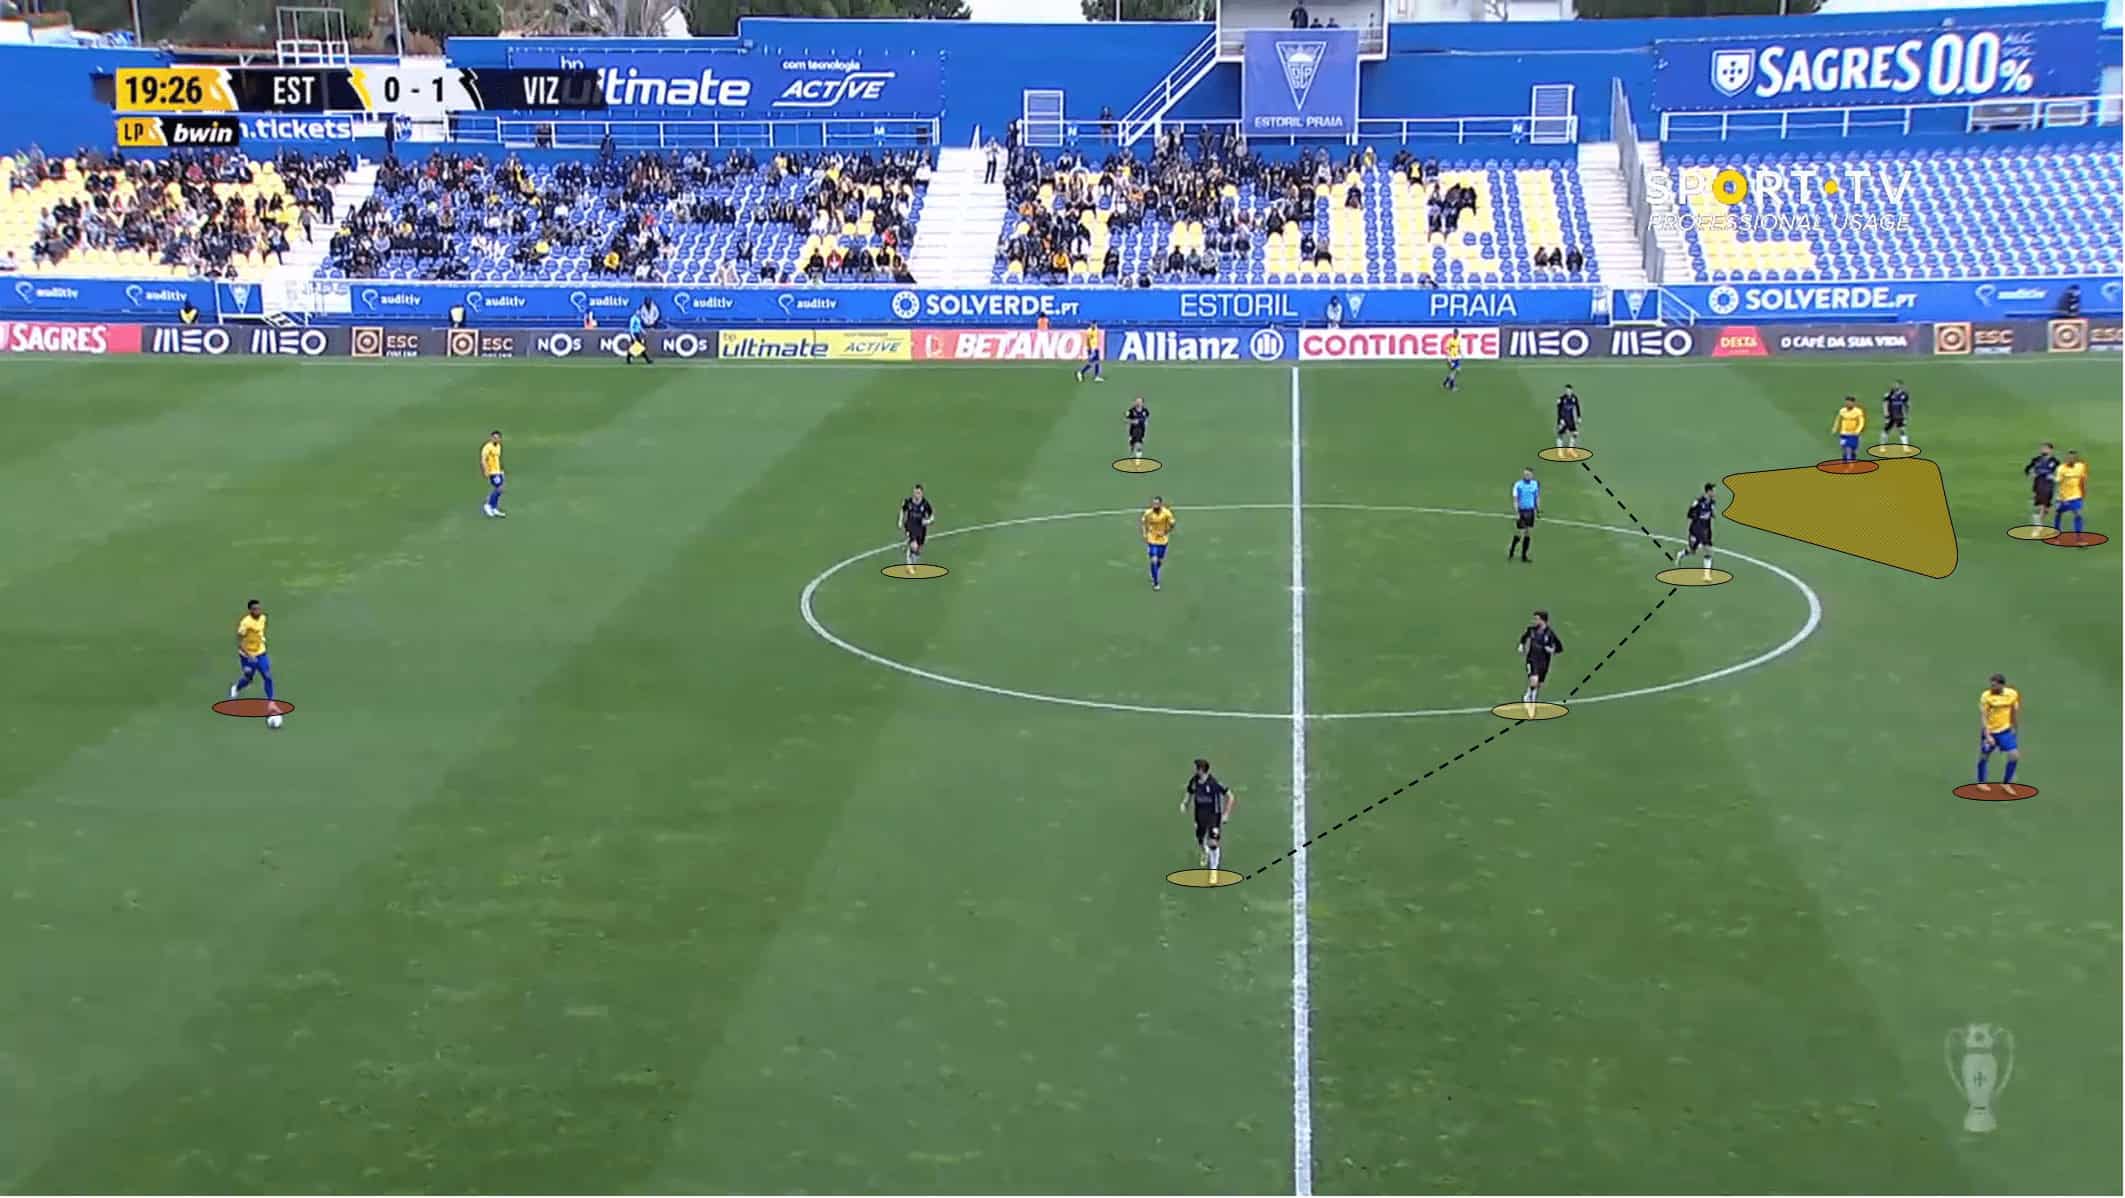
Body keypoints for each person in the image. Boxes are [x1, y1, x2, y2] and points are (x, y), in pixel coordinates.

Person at [227, 599, 280, 713]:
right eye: (255, 609)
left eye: (259, 608)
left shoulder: (263, 618)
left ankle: (271, 703)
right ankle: (236, 687)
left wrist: (261, 639)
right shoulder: (245, 623)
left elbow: (259, 631)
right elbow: (239, 642)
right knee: (248, 678)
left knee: (267, 676)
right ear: (250, 610)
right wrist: (249, 655)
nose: (258, 611)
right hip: (247, 655)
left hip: (260, 653)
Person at [1182, 757, 1235, 869]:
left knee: (1213, 842)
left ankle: (1213, 869)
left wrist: (1226, 814)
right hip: (1199, 815)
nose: (1193, 770)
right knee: (1200, 839)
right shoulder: (1194, 781)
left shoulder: (1214, 783)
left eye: (1195, 768)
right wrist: (1185, 803)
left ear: (1201, 769)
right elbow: (1189, 791)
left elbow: (1230, 796)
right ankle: (1204, 852)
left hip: (1213, 815)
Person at [1976, 673, 2022, 788]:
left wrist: (2015, 727)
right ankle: (1981, 782)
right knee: (1984, 756)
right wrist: (1987, 735)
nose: (1992, 687)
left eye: (1994, 685)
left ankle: (2006, 783)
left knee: (2014, 755)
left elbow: (2014, 711)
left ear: (2002, 685)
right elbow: (1984, 716)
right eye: (1991, 685)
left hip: (2005, 731)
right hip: (1991, 731)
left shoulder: (2012, 694)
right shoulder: (1986, 696)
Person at [1517, 609, 1563, 705]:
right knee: (1534, 679)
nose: (1534, 621)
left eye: (1536, 619)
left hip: (1544, 661)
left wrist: (1551, 650)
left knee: (1539, 683)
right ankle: (1531, 700)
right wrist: (1521, 646)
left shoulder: (1550, 633)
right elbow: (1524, 637)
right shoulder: (1531, 630)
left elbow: (1559, 648)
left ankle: (1529, 695)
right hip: (1532, 659)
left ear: (1542, 620)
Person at [1141, 495, 1176, 591]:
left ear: (1161, 504)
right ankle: (1156, 582)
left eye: (1157, 503)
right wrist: (1144, 533)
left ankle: (1154, 571)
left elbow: (1172, 523)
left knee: (1159, 561)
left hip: (1163, 540)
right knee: (1154, 559)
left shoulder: (1166, 513)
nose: (1155, 505)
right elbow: (1143, 522)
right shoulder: (1148, 513)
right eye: (1154, 503)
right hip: (1152, 538)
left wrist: (1168, 529)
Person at [2053, 450, 2090, 536]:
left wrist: (2084, 491)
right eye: (2069, 458)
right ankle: (2056, 530)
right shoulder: (2061, 468)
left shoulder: (2081, 466)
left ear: (2076, 459)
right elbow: (2057, 482)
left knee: (2078, 514)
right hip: (2063, 497)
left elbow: (2083, 479)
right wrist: (2062, 497)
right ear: (2066, 458)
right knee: (2058, 513)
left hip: (2076, 495)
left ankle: (2079, 535)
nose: (2071, 459)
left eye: (2073, 458)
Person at [2025, 441, 2060, 527]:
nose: (2043, 450)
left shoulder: (2055, 461)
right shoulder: (2036, 460)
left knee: (2047, 507)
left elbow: (2062, 471)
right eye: (2042, 448)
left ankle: (2039, 520)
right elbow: (2027, 469)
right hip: (2039, 482)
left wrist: (2055, 477)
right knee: (2042, 502)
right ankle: (2038, 520)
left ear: (2050, 450)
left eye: (2045, 448)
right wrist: (2031, 474)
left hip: (2049, 483)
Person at [899, 483, 934, 570]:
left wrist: (928, 521)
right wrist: (900, 521)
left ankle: (912, 553)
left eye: (918, 493)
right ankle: (909, 564)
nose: (916, 494)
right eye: (915, 492)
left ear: (922, 493)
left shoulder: (925, 504)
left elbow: (932, 516)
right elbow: (902, 510)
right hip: (910, 525)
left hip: (921, 528)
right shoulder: (908, 502)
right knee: (914, 546)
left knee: (919, 548)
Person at [1684, 483, 1717, 573]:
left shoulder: (1712, 503)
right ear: (1708, 491)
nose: (1715, 493)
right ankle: (1681, 554)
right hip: (1696, 529)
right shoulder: (1698, 502)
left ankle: (1707, 574)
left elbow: (1711, 516)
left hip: (1705, 530)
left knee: (1708, 550)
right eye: (1713, 491)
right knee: (1692, 551)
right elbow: (1689, 514)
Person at [1509, 468, 1539, 563]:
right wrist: (1517, 512)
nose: (1527, 476)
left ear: (1532, 475)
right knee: (1519, 533)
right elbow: (1515, 500)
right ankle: (1512, 550)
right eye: (1525, 474)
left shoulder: (1535, 484)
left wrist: (1537, 509)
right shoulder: (1518, 485)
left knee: (1527, 533)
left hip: (1530, 511)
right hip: (1521, 511)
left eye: (1528, 474)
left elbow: (1536, 497)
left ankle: (1524, 556)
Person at [480, 429, 506, 518]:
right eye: (494, 437)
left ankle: (494, 508)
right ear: (491, 438)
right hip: (492, 472)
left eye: (498, 438)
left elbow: (497, 458)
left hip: (498, 471)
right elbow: (483, 459)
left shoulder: (498, 446)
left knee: (500, 489)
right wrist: (485, 470)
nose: (496, 439)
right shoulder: (487, 447)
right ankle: (488, 505)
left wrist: (501, 469)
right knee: (499, 488)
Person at [1832, 396, 1866, 464]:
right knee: (1846, 449)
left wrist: (1857, 431)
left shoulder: (1858, 411)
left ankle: (1850, 461)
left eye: (1849, 402)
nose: (1847, 404)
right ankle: (1848, 464)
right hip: (1844, 434)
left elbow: (1861, 422)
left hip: (1853, 434)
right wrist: (1834, 429)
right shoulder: (1842, 411)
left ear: (1853, 403)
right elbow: (1837, 420)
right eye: (1846, 402)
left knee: (1853, 451)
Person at [1881, 379, 1911, 448]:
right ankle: (1882, 446)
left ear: (1901, 386)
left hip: (1900, 416)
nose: (1895, 386)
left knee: (1902, 430)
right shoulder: (1889, 394)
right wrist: (1886, 414)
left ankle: (1905, 447)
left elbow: (1907, 405)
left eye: (1897, 385)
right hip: (1890, 416)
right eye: (1895, 385)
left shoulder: (1904, 395)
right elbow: (1885, 404)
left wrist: (1906, 415)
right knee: (1886, 430)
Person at [1554, 384, 1582, 451]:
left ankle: (1570, 449)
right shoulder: (1562, 398)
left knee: (1575, 433)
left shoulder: (1574, 398)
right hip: (1563, 419)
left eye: (1569, 390)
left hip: (1570, 419)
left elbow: (1577, 407)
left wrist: (1579, 417)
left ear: (1571, 390)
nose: (1568, 392)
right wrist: (1560, 420)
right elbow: (1559, 410)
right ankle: (1559, 450)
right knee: (1560, 434)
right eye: (1566, 390)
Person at [1125, 396, 1150, 460]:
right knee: (1132, 445)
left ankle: (1138, 460)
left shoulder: (1145, 411)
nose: (1138, 403)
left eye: (1140, 401)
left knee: (1139, 445)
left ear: (1143, 403)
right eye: (1137, 401)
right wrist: (1133, 421)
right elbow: (1125, 420)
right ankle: (1131, 455)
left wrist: (1145, 424)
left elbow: (1147, 419)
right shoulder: (1131, 411)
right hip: (1133, 430)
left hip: (1141, 430)